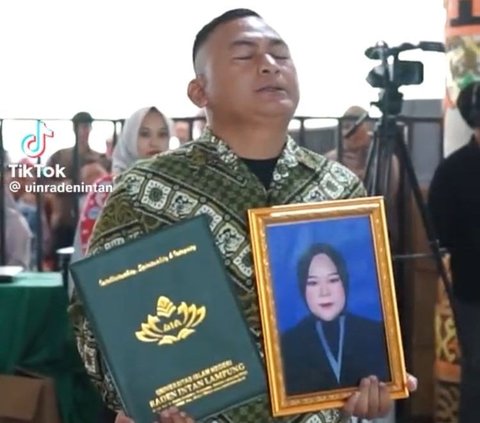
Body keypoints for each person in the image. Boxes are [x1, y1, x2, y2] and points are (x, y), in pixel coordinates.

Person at [70, 9, 417, 423]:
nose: (269, 64)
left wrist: (368, 387)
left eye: (280, 54)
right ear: (200, 92)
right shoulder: (143, 192)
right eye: (244, 55)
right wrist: (139, 402)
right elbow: (94, 318)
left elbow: (359, 316)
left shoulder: (340, 191)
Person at [428, 80, 480, 423]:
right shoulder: (452, 170)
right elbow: (439, 233)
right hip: (474, 289)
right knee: (477, 373)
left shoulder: (452, 169)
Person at [281, 243, 389, 396]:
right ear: (302, 289)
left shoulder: (377, 333)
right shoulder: (288, 344)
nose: (324, 292)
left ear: (344, 283)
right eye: (313, 283)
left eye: (332, 280)